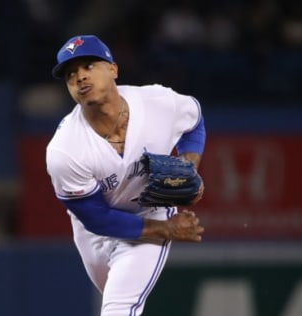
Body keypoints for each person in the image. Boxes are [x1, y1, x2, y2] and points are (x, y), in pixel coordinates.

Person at [46, 34, 206, 316]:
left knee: (119, 308)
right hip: (94, 231)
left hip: (149, 211)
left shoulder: (158, 102)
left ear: (113, 69)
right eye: (71, 74)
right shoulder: (65, 149)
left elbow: (194, 121)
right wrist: (168, 230)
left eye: (89, 66)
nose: (81, 77)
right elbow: (97, 218)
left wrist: (189, 164)